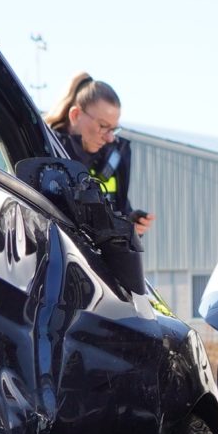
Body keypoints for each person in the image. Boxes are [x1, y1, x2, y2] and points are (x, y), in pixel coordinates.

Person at [44, 72, 152, 294]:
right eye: (103, 126)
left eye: (114, 129)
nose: (110, 137)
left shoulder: (114, 158)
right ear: (75, 115)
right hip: (60, 278)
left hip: (106, 282)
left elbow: (117, 212)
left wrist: (131, 225)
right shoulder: (47, 154)